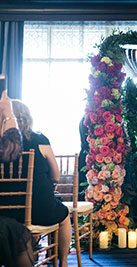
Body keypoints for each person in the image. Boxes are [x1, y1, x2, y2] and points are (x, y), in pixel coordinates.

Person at [11, 100, 72, 267]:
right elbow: (56, 177)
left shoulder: (3, 144)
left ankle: (30, 253)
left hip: (6, 213)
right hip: (39, 209)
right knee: (64, 214)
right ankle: (63, 263)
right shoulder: (39, 139)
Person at [0, 88, 34, 267]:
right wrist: (7, 113)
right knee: (15, 233)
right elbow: (11, 151)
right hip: (18, 211)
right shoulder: (39, 139)